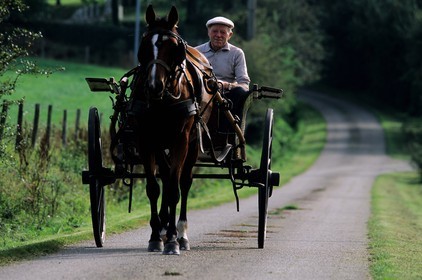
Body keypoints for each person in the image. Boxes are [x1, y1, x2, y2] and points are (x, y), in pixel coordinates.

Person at [195, 16, 251, 135]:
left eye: (223, 32)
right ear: (209, 32)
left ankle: (230, 135)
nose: (218, 35)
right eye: (215, 31)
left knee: (240, 93)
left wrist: (226, 85)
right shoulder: (196, 52)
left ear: (229, 35)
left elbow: (244, 84)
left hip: (226, 95)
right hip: (199, 93)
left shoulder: (237, 53)